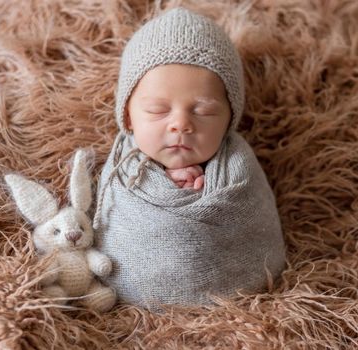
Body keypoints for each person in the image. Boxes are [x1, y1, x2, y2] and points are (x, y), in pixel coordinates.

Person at [92, 7, 285, 309]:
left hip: (239, 302)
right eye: (157, 110)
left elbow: (253, 226)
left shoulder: (238, 168)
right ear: (128, 116)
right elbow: (107, 221)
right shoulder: (123, 166)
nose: (180, 124)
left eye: (204, 111)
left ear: (229, 119)